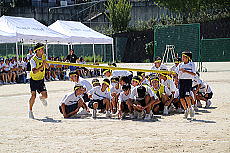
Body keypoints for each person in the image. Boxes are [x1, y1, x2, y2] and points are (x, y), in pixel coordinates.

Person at [28, 43, 49, 119]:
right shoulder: (33, 60)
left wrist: (45, 64)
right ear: (37, 51)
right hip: (33, 79)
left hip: (41, 79)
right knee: (33, 96)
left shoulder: (44, 56)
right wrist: (42, 65)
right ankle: (30, 111)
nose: (43, 50)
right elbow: (34, 71)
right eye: (41, 49)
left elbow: (47, 67)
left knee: (45, 96)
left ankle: (42, 98)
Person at [175, 50, 196, 119]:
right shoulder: (180, 64)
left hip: (188, 81)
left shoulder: (191, 64)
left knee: (187, 96)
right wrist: (176, 78)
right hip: (181, 81)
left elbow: (194, 73)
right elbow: (176, 72)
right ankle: (186, 110)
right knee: (181, 98)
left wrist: (185, 71)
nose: (182, 58)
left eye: (184, 57)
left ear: (188, 58)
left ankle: (190, 108)